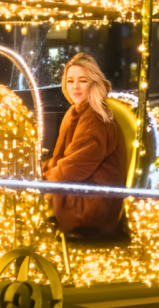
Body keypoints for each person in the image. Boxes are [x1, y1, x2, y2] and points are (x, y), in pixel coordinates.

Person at [42, 53, 128, 237]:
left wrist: (41, 181)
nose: (76, 87)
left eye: (82, 80)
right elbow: (61, 160)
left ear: (93, 83)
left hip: (92, 203)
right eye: (70, 81)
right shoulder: (75, 112)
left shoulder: (95, 117)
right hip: (81, 193)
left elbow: (75, 167)